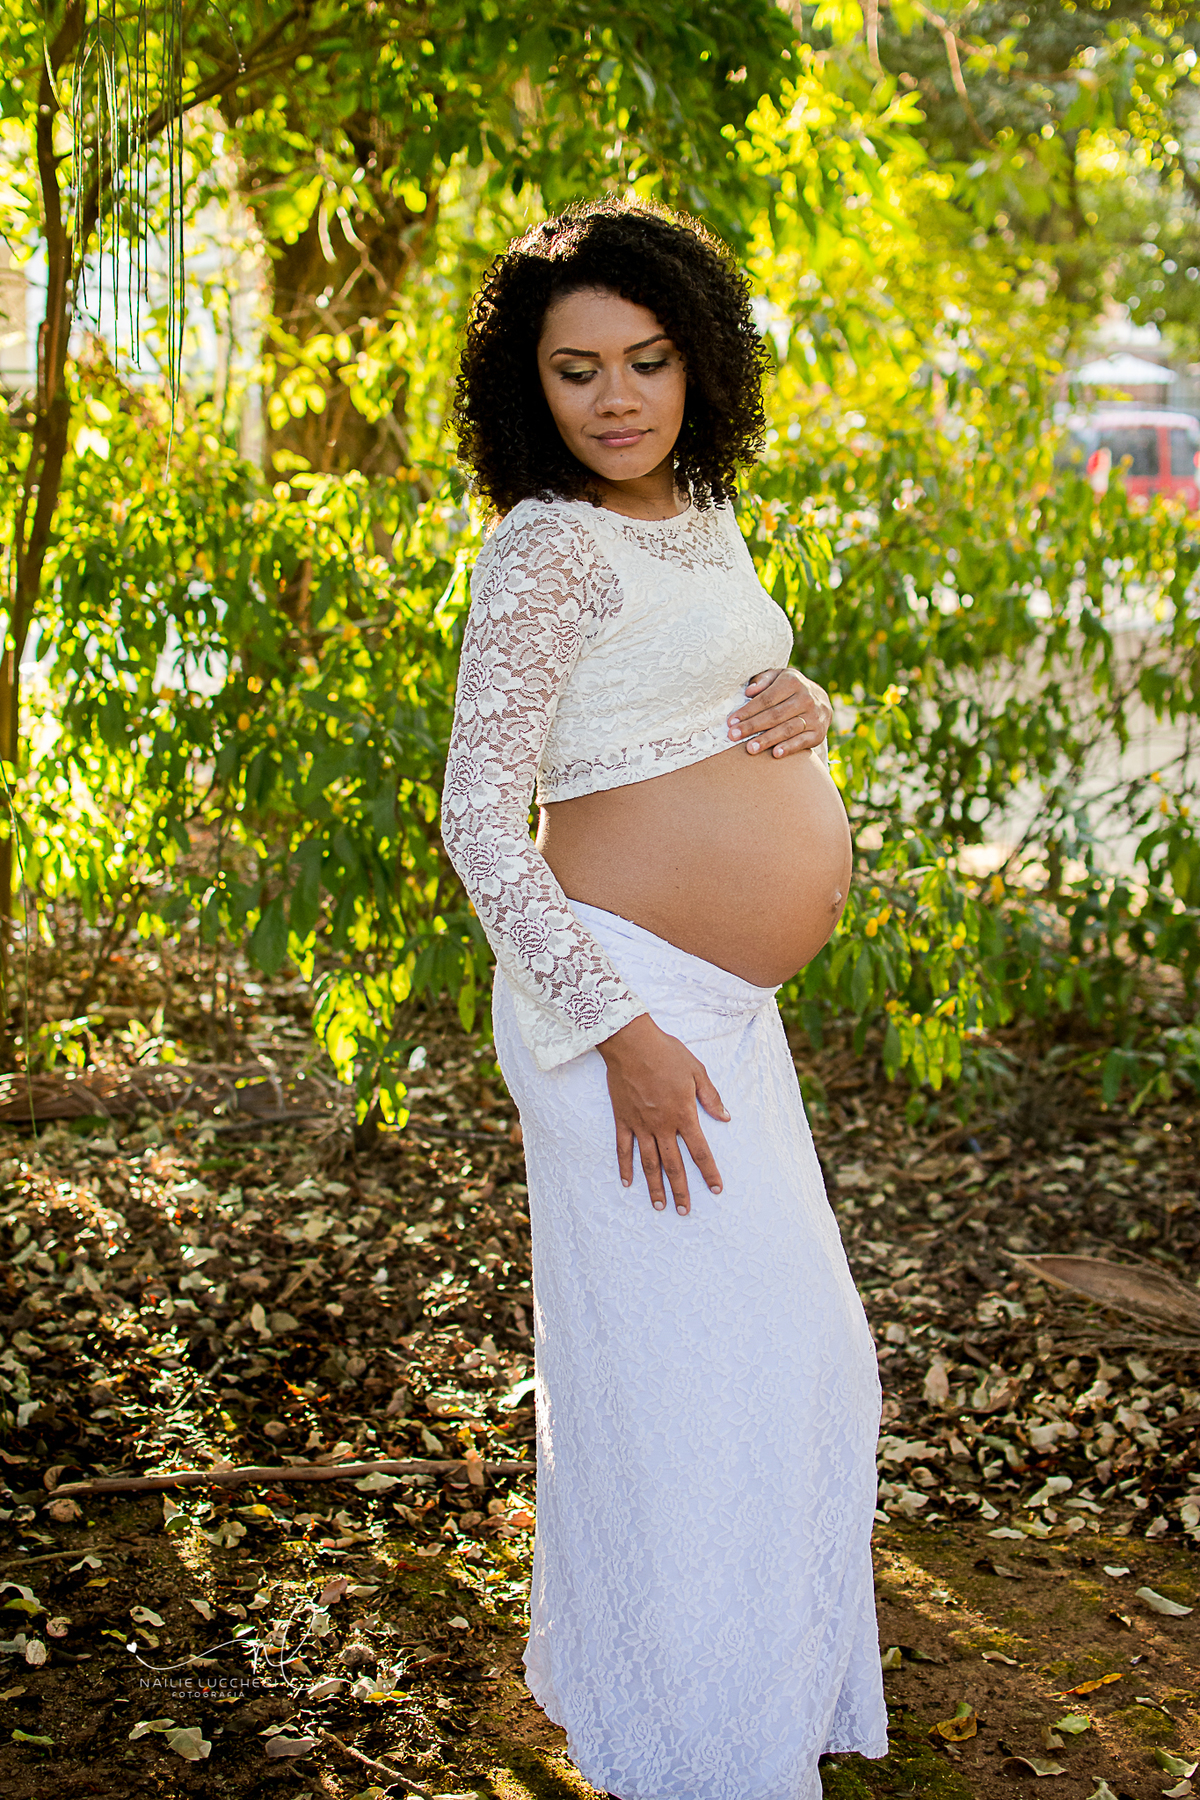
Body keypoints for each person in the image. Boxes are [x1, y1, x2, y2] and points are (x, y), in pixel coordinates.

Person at [441, 198, 886, 1800]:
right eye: (577, 372)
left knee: (794, 1362)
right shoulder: (545, 546)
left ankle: (734, 1710)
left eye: (647, 359)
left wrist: (801, 699)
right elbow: (480, 821)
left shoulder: (698, 509)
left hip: (721, 1014)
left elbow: (698, 694)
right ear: (530, 388)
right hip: (619, 1012)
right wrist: (615, 1033)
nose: (617, 398)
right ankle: (703, 1753)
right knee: (706, 1382)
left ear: (699, 363)